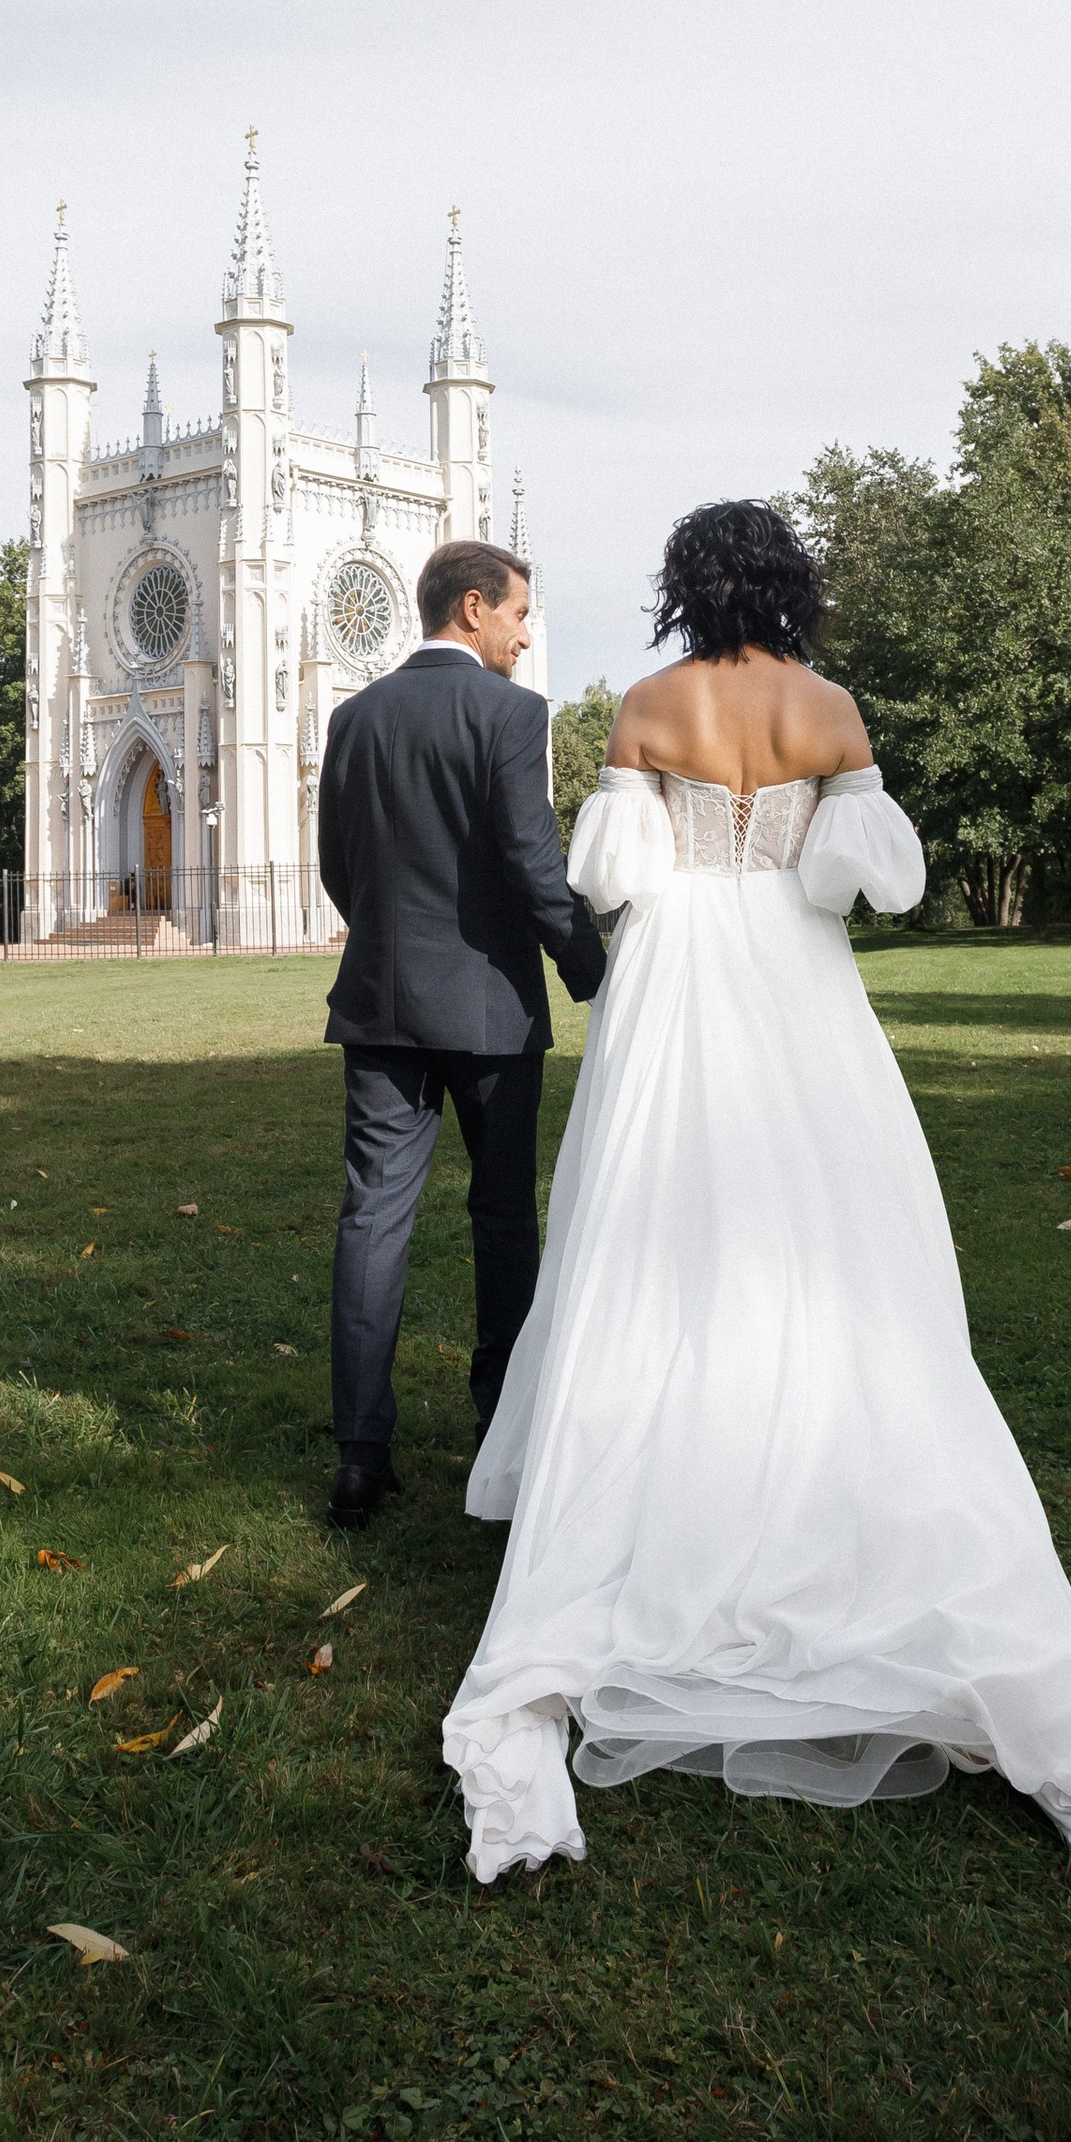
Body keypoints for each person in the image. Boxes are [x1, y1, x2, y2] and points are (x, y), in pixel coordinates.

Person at [442, 498, 1071, 1905]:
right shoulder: (830, 707)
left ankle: (658, 1493)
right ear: (787, 585)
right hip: (796, 984)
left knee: (649, 1233)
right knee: (834, 1232)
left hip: (675, 989)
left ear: (685, 587)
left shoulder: (647, 705)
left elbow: (612, 875)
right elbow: (863, 881)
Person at [316, 537, 608, 1532]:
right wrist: (593, 972)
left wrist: (388, 939)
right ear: (474, 607)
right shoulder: (510, 714)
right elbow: (534, 864)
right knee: (502, 1218)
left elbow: (337, 865)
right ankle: (501, 1433)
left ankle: (360, 1457)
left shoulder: (354, 717)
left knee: (371, 1220)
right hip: (488, 1009)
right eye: (520, 615)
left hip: (380, 1004)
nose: (525, 637)